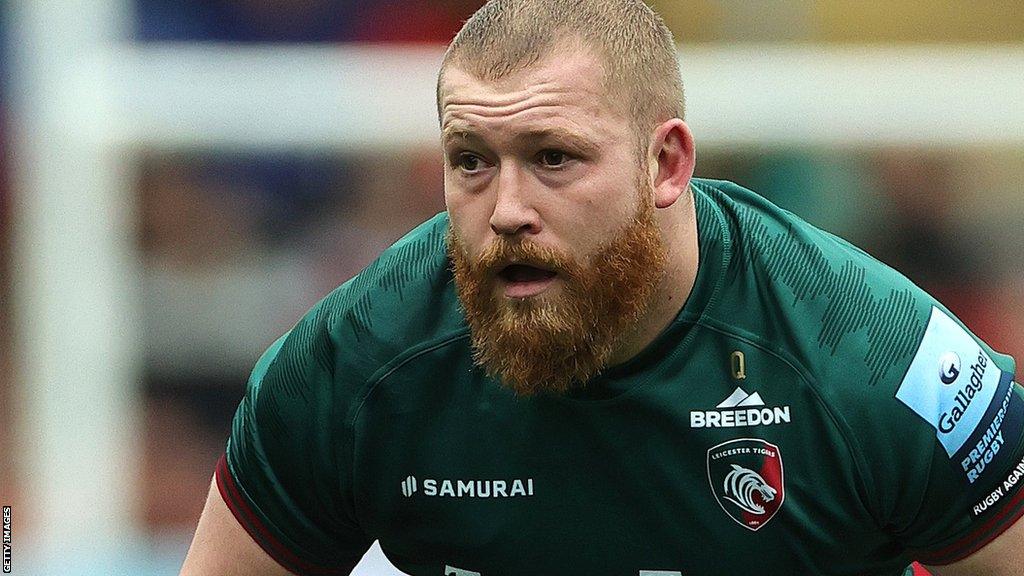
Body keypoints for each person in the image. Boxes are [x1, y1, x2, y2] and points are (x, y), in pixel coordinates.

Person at [179, 1, 1024, 574]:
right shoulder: (352, 366)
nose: (506, 210)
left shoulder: (874, 356)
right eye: (471, 160)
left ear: (666, 164)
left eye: (554, 158)